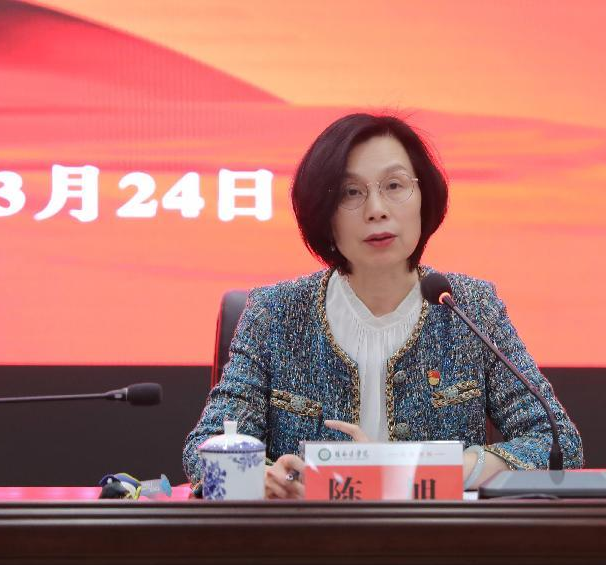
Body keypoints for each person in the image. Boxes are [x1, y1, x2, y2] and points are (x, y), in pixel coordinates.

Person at [183, 113, 583, 499]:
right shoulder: (274, 314)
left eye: (394, 185)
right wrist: (264, 478)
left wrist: (425, 470)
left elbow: (557, 443)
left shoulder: (470, 307)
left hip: (435, 538)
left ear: (424, 198)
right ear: (324, 214)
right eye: (351, 192)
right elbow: (204, 448)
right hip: (310, 538)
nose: (376, 209)